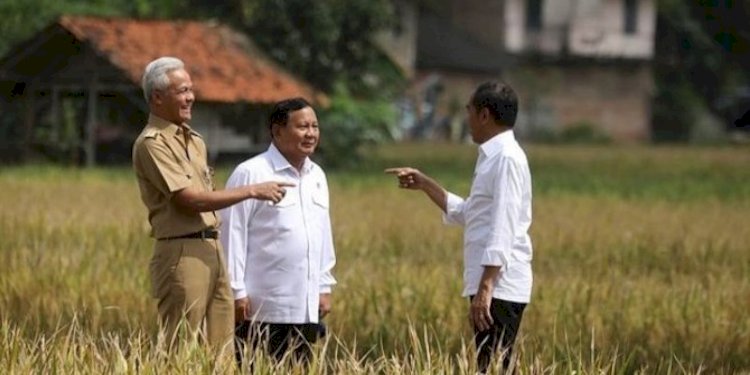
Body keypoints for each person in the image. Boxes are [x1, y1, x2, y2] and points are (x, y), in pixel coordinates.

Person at [132, 56, 293, 352]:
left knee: (221, 350)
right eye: (181, 91)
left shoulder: (195, 141)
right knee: (179, 349)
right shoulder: (151, 144)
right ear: (157, 98)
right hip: (182, 252)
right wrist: (252, 190)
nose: (190, 97)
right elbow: (190, 199)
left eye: (190, 89)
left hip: (213, 249)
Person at [386, 81, 533, 374]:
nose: (466, 119)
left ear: (484, 115)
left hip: (499, 284)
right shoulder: (492, 157)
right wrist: (426, 185)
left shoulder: (506, 159)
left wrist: (487, 287)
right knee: (493, 364)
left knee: (494, 365)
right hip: (491, 282)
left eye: (469, 111)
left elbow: (503, 224)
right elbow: (471, 214)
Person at [220, 97, 336, 366]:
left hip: (305, 306)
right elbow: (232, 234)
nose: (310, 134)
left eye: (315, 127)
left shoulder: (317, 175)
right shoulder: (251, 173)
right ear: (277, 130)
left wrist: (324, 285)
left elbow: (322, 234)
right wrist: (236, 291)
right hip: (261, 307)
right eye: (302, 127)